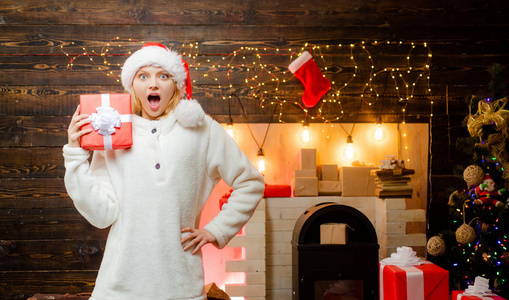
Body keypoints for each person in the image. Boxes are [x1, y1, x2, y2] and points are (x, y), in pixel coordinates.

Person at [63, 43, 265, 300]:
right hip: (119, 288)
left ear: (177, 85)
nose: (153, 84)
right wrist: (75, 154)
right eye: (143, 76)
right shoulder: (112, 132)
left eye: (164, 76)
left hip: (181, 287)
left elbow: (250, 182)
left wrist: (216, 230)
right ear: (132, 85)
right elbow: (102, 215)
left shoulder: (201, 129)